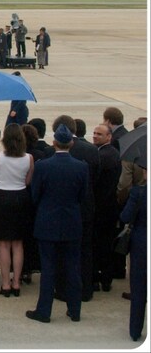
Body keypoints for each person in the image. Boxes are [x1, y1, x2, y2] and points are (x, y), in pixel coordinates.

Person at [26, 124, 88, 324]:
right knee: (72, 268)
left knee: (48, 269)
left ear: (54, 143)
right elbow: (83, 197)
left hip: (47, 223)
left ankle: (44, 311)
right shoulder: (81, 167)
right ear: (71, 143)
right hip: (71, 223)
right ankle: (75, 309)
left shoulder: (43, 166)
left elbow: (35, 195)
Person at [0, 121, 34, 298]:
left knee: (3, 243)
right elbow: (28, 180)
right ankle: (16, 282)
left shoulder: (0, 156)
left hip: (1, 197)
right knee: (18, 243)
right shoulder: (28, 158)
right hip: (20, 196)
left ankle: (5, 284)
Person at [91, 123, 122, 292]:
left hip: (101, 208)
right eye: (95, 133)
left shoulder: (103, 156)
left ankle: (97, 278)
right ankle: (106, 279)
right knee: (106, 245)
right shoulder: (113, 153)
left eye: (100, 134)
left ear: (109, 137)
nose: (95, 136)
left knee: (98, 245)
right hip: (110, 208)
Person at [120, 154, 146, 342]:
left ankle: (135, 331)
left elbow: (126, 216)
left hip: (142, 244)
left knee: (139, 290)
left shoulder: (139, 192)